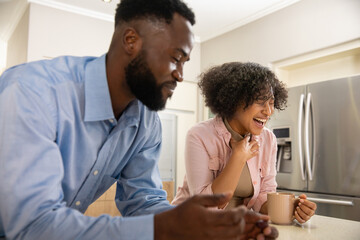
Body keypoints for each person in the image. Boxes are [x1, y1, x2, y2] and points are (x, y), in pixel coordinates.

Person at [0, 0, 279, 239]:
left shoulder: (145, 123)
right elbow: (32, 224)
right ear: (131, 41)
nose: (181, 75)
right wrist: (165, 227)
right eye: (175, 58)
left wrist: (207, 228)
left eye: (184, 63)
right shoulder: (32, 92)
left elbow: (143, 202)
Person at [172, 62, 317, 223]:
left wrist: (290, 208)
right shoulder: (199, 135)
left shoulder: (268, 139)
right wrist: (238, 157)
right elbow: (205, 207)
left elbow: (262, 199)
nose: (268, 112)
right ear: (234, 101)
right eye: (261, 102)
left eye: (271, 103)